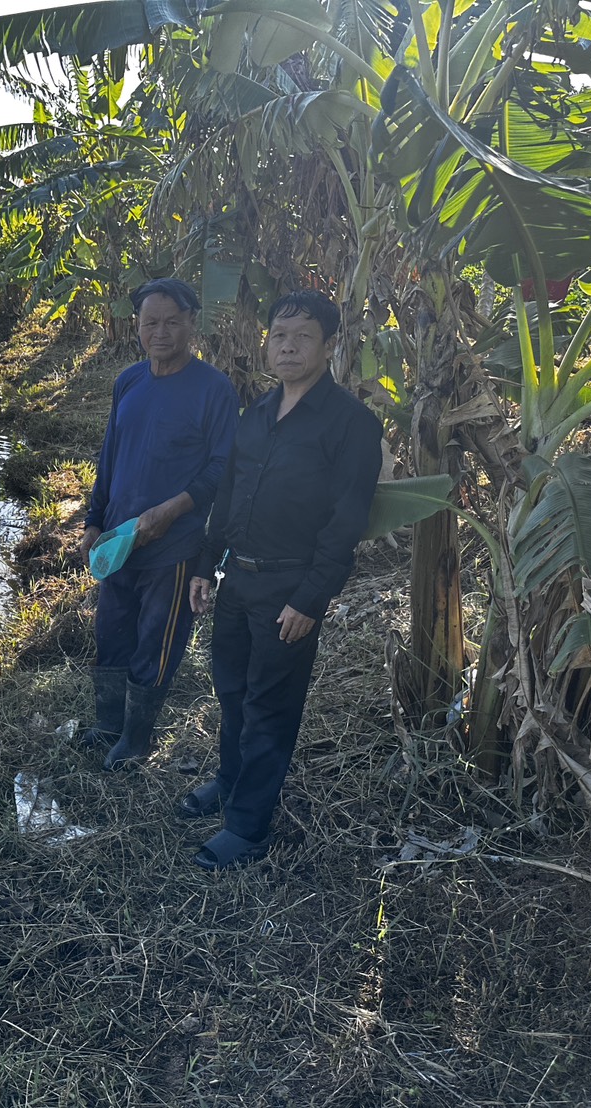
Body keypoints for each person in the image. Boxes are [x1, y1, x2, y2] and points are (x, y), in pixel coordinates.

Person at [182, 289, 382, 869]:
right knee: (232, 692)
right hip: (237, 579)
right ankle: (229, 780)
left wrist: (310, 599)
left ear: (330, 345)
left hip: (289, 588)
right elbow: (228, 496)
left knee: (271, 706)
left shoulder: (351, 424)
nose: (288, 347)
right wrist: (205, 564)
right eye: (279, 336)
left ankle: (248, 827)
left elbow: (346, 521)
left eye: (303, 337)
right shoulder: (256, 415)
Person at [79, 278, 239, 771]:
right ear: (137, 326)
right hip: (119, 540)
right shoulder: (129, 381)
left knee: (157, 640)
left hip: (174, 545)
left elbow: (222, 468)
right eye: (151, 322)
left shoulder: (214, 389)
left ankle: (136, 740)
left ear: (192, 324)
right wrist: (93, 520)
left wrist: (170, 511)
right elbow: (111, 456)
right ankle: (108, 725)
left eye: (172, 322)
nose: (161, 332)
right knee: (111, 632)